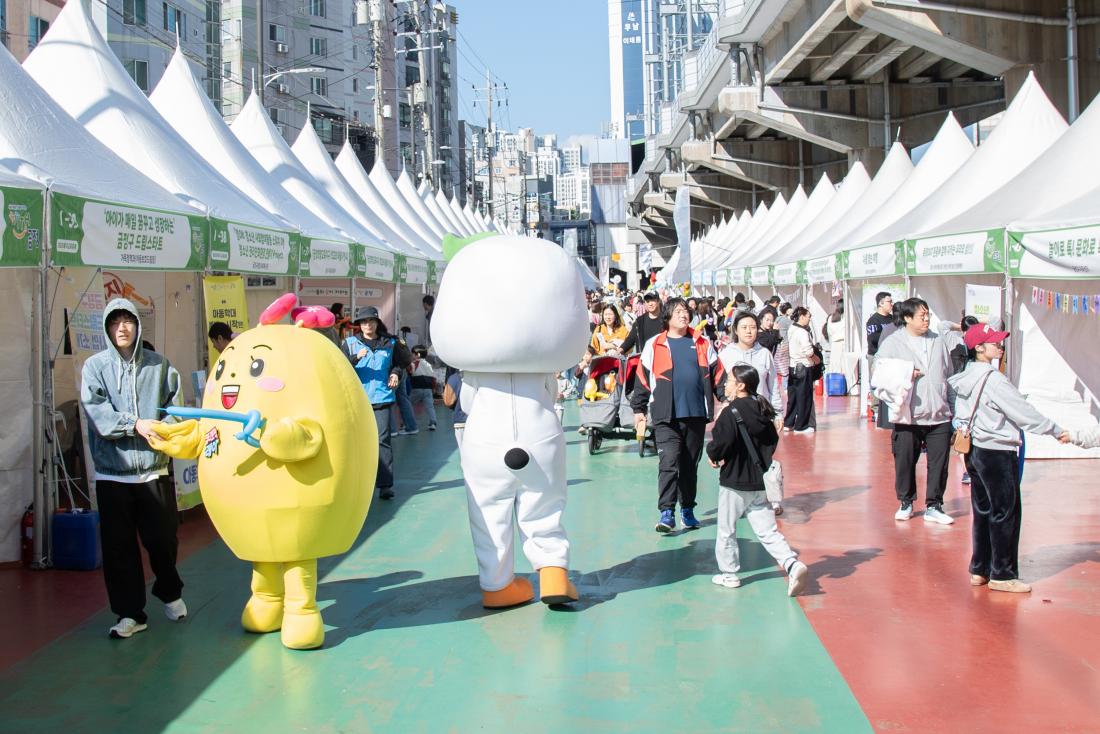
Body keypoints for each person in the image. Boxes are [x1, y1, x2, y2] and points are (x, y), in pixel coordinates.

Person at [79, 299, 186, 639]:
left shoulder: (159, 365)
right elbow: (97, 414)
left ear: (138, 326)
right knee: (119, 548)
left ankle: (170, 591)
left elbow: (176, 409)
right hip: (113, 474)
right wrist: (135, 424)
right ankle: (130, 614)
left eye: (128, 320)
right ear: (108, 328)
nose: (122, 327)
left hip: (154, 471)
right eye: (115, 321)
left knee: (163, 540)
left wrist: (166, 427)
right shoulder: (94, 367)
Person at [948, 324, 1072, 593]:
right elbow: (1022, 411)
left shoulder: (965, 376)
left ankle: (980, 568)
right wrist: (1055, 430)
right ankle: (1003, 574)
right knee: (1006, 512)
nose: (1000, 346)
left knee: (982, 510)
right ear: (978, 348)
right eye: (994, 343)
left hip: (974, 449)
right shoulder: (993, 379)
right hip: (996, 450)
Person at [707, 364, 809, 595]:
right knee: (767, 530)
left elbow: (720, 444)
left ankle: (729, 573)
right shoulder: (763, 408)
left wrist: (713, 456)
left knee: (726, 529)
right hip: (760, 481)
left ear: (740, 385)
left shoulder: (730, 412)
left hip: (734, 481)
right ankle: (792, 564)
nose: (726, 384)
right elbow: (771, 441)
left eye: (730, 381)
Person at [631, 297, 721, 533]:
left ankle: (688, 510)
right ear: (668, 316)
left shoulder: (701, 342)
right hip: (665, 415)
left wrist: (730, 397)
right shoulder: (655, 344)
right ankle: (667, 512)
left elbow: (717, 373)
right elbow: (642, 379)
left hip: (695, 414)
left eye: (686, 311)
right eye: (679, 311)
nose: (684, 315)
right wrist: (638, 409)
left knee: (690, 465)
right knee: (668, 462)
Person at [875, 298, 955, 525]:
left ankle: (934, 505)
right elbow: (878, 371)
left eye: (928, 314)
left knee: (939, 463)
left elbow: (947, 374)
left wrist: (952, 408)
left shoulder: (938, 341)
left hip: (939, 413)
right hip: (909, 414)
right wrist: (905, 372)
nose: (927, 319)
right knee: (905, 460)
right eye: (922, 316)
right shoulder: (893, 342)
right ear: (908, 318)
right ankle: (906, 501)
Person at [343, 305, 412, 500]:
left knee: (382, 441)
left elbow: (401, 362)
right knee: (356, 443)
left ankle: (385, 485)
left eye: (371, 321)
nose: (367, 325)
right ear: (359, 325)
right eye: (363, 322)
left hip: (382, 400)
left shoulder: (390, 343)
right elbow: (339, 366)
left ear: (377, 322)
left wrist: (396, 373)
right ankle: (356, 483)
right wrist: (356, 358)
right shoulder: (350, 343)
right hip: (357, 401)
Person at [718, 311, 784, 513]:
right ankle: (738, 500)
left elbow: (772, 385)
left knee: (764, 455)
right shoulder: (726, 355)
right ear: (735, 330)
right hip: (735, 415)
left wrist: (777, 412)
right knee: (737, 456)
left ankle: (772, 498)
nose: (749, 331)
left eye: (753, 327)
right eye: (744, 327)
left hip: (760, 414)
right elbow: (720, 386)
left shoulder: (764, 354)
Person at [783, 306, 817, 434]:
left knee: (793, 397)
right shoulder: (802, 332)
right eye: (809, 317)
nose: (809, 320)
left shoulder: (792, 329)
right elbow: (808, 351)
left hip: (793, 366)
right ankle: (801, 426)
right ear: (802, 317)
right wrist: (815, 358)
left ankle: (789, 422)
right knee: (804, 397)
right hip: (803, 366)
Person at [620, 291, 664, 355]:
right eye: (647, 301)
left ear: (658, 301)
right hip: (644, 359)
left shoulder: (666, 320)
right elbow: (630, 339)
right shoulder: (639, 321)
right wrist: (621, 349)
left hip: (662, 358)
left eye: (652, 300)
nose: (650, 304)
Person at [409, 346, 438, 431]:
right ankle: (433, 422)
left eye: (413, 354)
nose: (412, 355)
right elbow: (433, 378)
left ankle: (407, 422)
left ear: (417, 355)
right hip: (428, 389)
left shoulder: (414, 363)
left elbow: (410, 372)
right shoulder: (429, 365)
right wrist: (433, 388)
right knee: (430, 406)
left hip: (417, 388)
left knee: (409, 404)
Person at [442, 368, 467, 447]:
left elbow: (448, 401)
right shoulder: (480, 376)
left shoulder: (454, 378)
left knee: (464, 452)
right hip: (479, 420)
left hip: (461, 420)